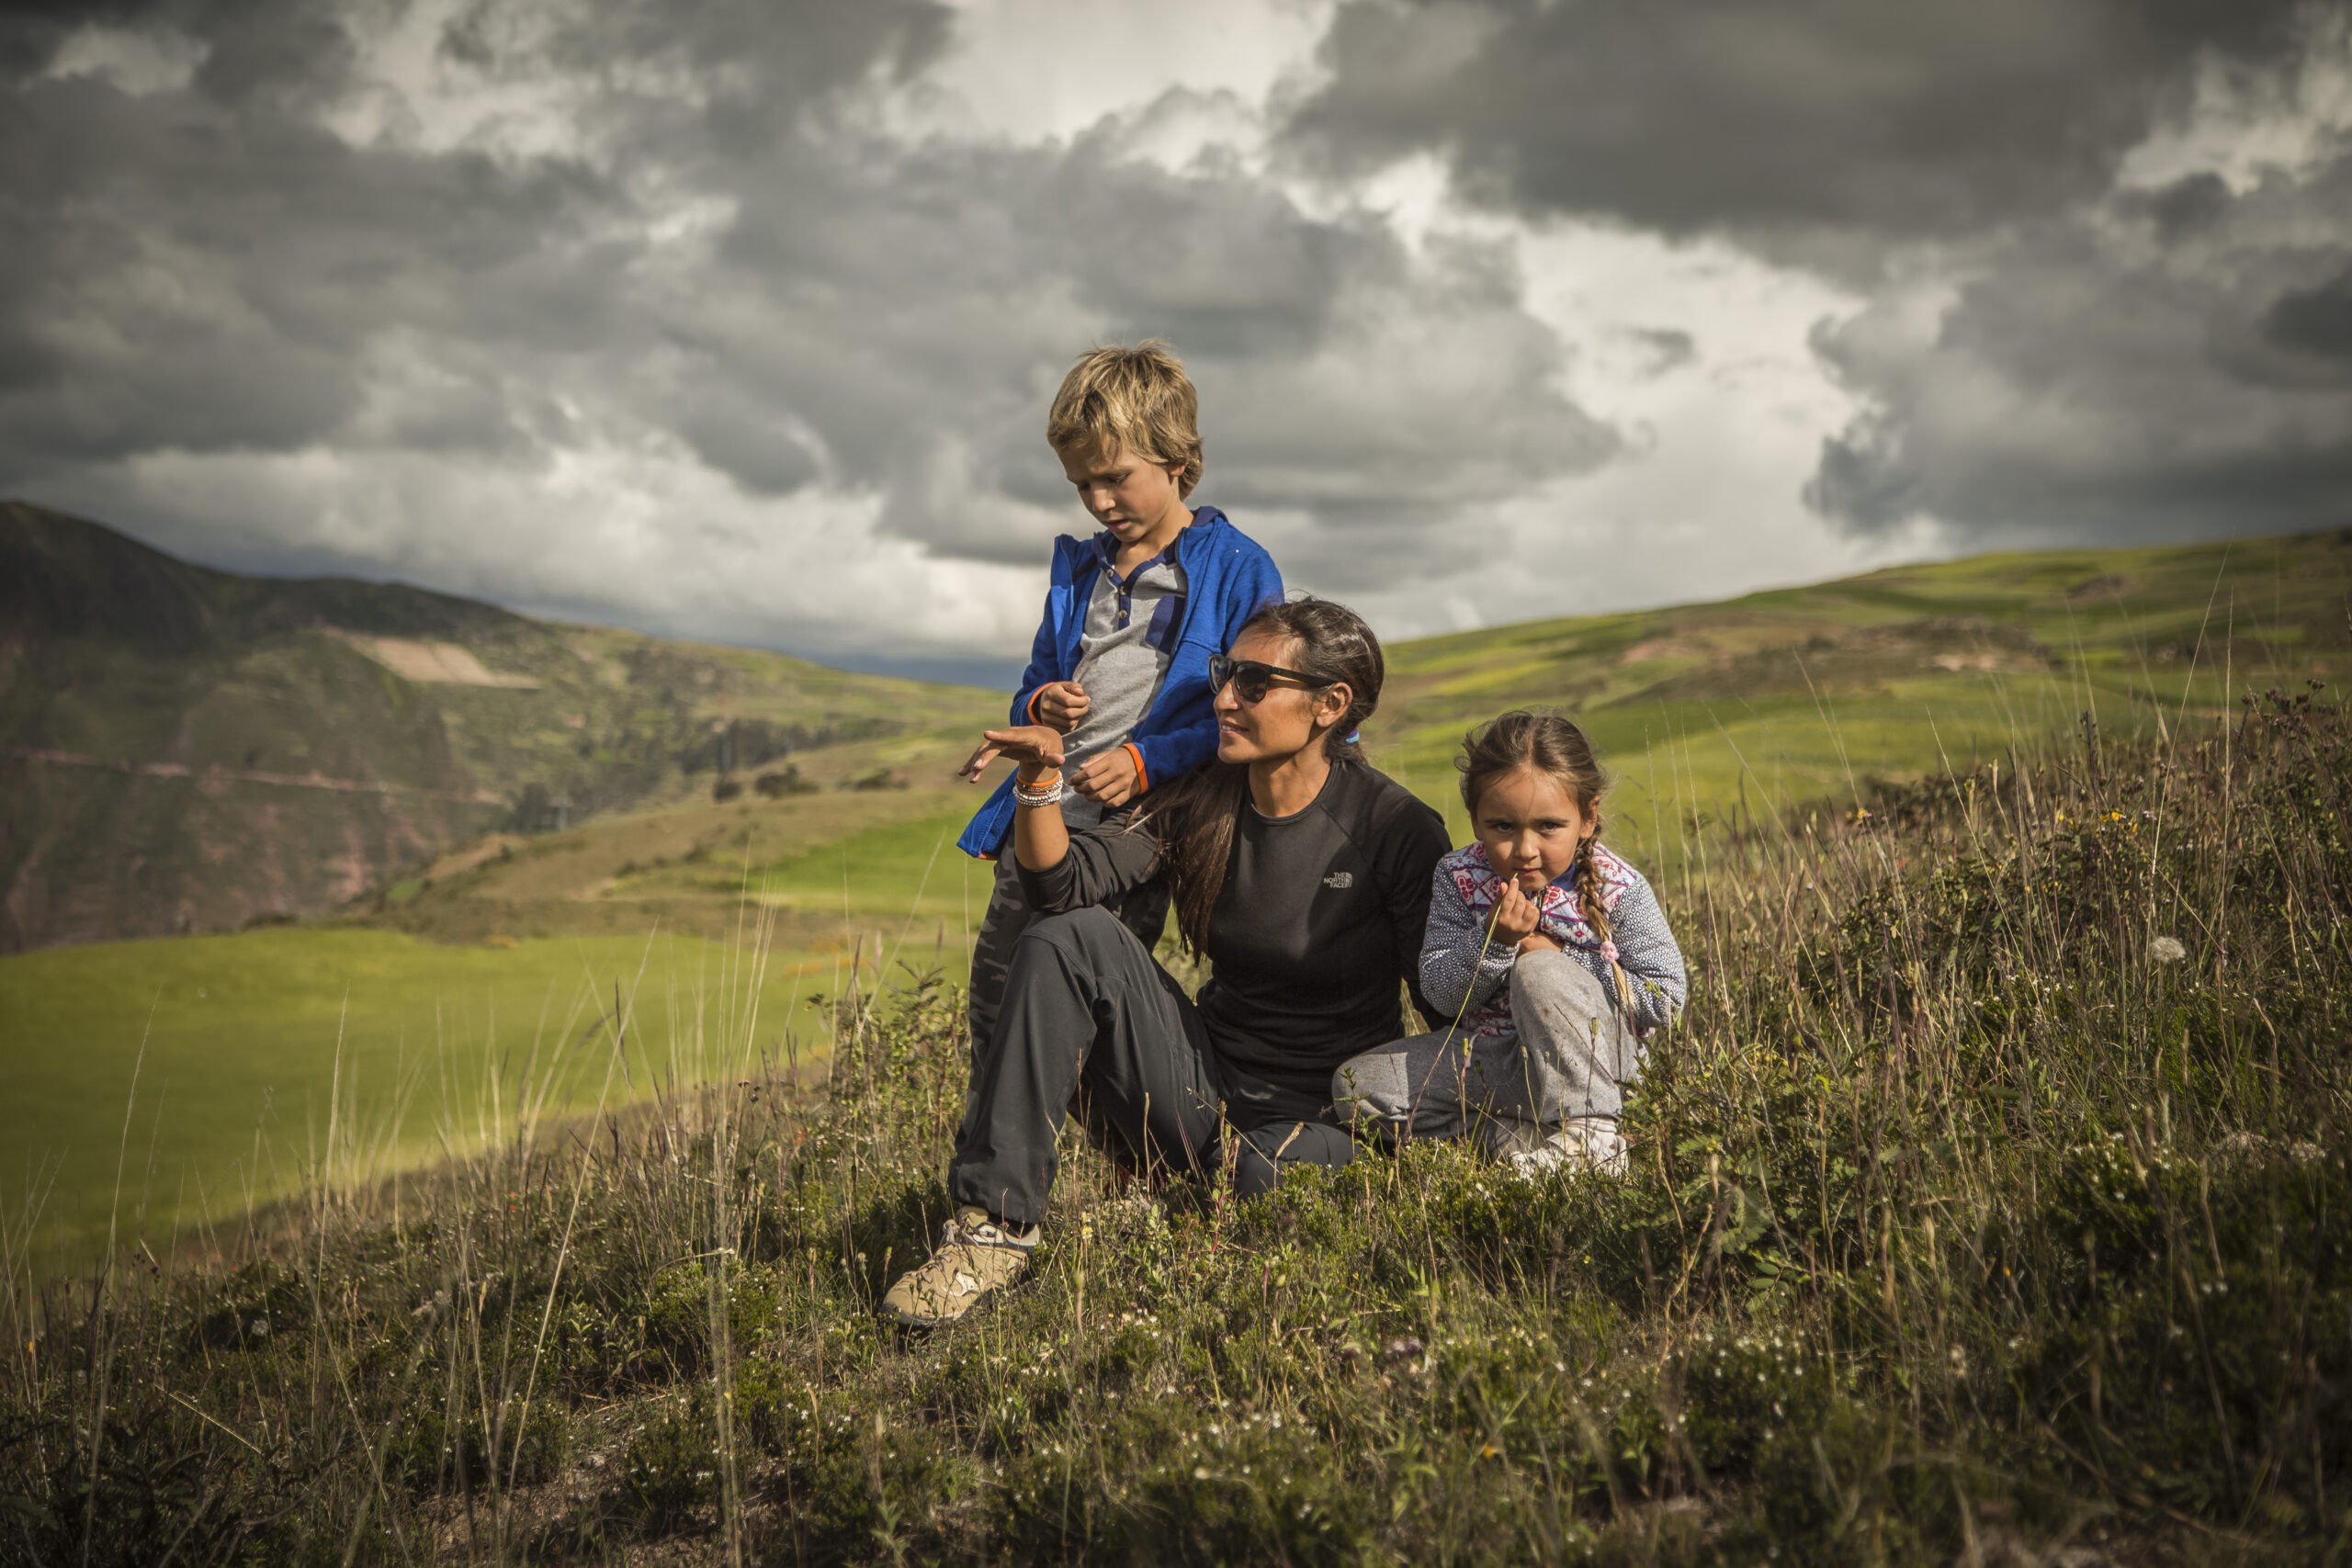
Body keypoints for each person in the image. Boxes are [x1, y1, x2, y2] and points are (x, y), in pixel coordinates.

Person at [886, 599, 1452, 1326]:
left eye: (1253, 682)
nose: (1222, 698)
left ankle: (1193, 1196)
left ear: (1329, 705)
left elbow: (1446, 1008)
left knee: (1256, 1177)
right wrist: (1038, 781)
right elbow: (1057, 884)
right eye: (1224, 674)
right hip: (1199, 1096)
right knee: (1064, 936)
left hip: (1326, 1115)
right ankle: (991, 1231)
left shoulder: (1395, 827)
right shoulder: (1202, 796)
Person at [955, 341, 1283, 1059]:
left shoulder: (1238, 569)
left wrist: (1144, 761)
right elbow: (1030, 687)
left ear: (1176, 459)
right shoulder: (1080, 570)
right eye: (1081, 486)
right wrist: (1042, 705)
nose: (1099, 501)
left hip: (1134, 830)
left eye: (1114, 478)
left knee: (1084, 1016)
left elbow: (1248, 711)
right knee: (996, 1008)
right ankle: (998, 1167)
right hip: (1039, 819)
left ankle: (1124, 1163)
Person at [1332, 711, 1686, 1176]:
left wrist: (1560, 959)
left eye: (1548, 826)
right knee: (1355, 1088)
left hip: (1597, 1066)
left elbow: (1666, 997)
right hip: (1497, 1062)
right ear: (1475, 821)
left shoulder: (1620, 887)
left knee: (1538, 971)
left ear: (1588, 817)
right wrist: (1495, 943)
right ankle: (1520, 1140)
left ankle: (1592, 1139)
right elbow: (1439, 992)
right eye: (1503, 826)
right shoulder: (1458, 878)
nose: (1524, 849)